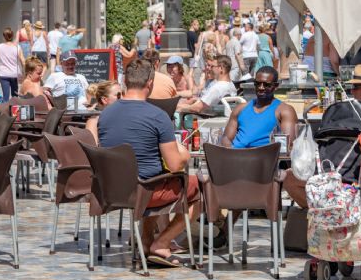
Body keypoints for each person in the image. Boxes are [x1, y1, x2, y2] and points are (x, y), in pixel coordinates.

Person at [98, 59, 200, 266]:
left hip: (111, 191)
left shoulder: (105, 114)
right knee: (201, 189)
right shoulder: (157, 116)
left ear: (126, 81)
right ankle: (162, 243)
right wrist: (184, 153)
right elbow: (174, 165)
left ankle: (146, 242)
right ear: (150, 83)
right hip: (145, 192)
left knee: (151, 176)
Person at [222, 66, 297, 148]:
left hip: (263, 157)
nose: (261, 88)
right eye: (257, 84)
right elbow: (226, 138)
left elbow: (288, 144)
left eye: (266, 85)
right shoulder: (240, 109)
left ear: (276, 86)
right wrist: (229, 154)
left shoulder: (285, 111)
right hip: (235, 156)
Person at [0, 27, 25, 102]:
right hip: (14, 74)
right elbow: (23, 61)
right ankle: (14, 112)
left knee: (5, 96)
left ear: (4, 37)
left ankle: (5, 112)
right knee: (15, 96)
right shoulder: (17, 47)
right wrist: (24, 73)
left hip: (3, 74)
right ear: (12, 36)